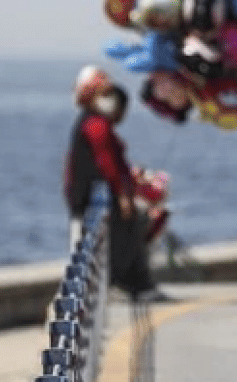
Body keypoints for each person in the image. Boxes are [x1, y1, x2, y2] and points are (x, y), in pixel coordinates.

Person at [64, 66, 163, 300]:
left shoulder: (95, 122)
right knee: (121, 236)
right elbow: (107, 164)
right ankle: (123, 283)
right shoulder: (95, 125)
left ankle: (135, 283)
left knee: (130, 229)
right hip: (95, 196)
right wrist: (122, 195)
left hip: (97, 194)